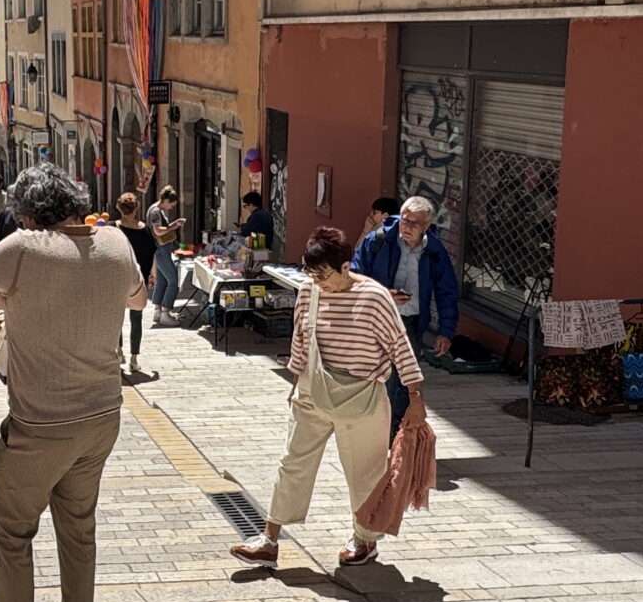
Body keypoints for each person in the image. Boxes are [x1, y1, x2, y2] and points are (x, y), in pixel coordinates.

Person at [0, 164, 146, 602]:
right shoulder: (114, 243)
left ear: (29, 212)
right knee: (78, 530)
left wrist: (20, 302)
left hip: (40, 423)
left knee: (11, 537)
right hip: (101, 415)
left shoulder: (22, 246)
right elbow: (137, 300)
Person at [232, 226, 430, 571]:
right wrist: (296, 382)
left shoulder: (374, 297)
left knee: (365, 471)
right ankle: (269, 539)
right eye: (312, 274)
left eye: (324, 275)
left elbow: (401, 347)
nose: (319, 282)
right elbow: (301, 336)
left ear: (345, 267)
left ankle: (364, 539)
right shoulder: (310, 291)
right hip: (314, 389)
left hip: (363, 395)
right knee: (293, 462)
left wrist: (415, 397)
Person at [350, 195, 458, 434]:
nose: (406, 227)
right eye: (405, 220)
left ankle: (394, 435)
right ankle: (374, 430)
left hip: (410, 323)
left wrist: (446, 331)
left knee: (405, 381)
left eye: (414, 224)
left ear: (427, 226)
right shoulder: (378, 240)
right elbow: (354, 278)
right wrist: (384, 294)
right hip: (377, 321)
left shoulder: (434, 250)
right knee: (379, 379)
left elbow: (446, 291)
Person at [114, 192, 159, 377]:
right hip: (138, 279)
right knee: (136, 317)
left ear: (119, 208)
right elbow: (153, 253)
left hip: (118, 278)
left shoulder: (114, 230)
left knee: (117, 318)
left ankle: (119, 353)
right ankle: (134, 359)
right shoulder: (146, 230)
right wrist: (153, 275)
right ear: (137, 208)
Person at [148, 186, 186, 323]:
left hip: (161, 249)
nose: (171, 208)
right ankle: (166, 312)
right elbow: (158, 231)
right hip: (161, 249)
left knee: (163, 281)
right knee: (173, 281)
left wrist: (173, 224)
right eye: (171, 204)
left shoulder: (157, 210)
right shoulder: (155, 212)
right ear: (165, 200)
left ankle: (158, 311)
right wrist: (173, 226)